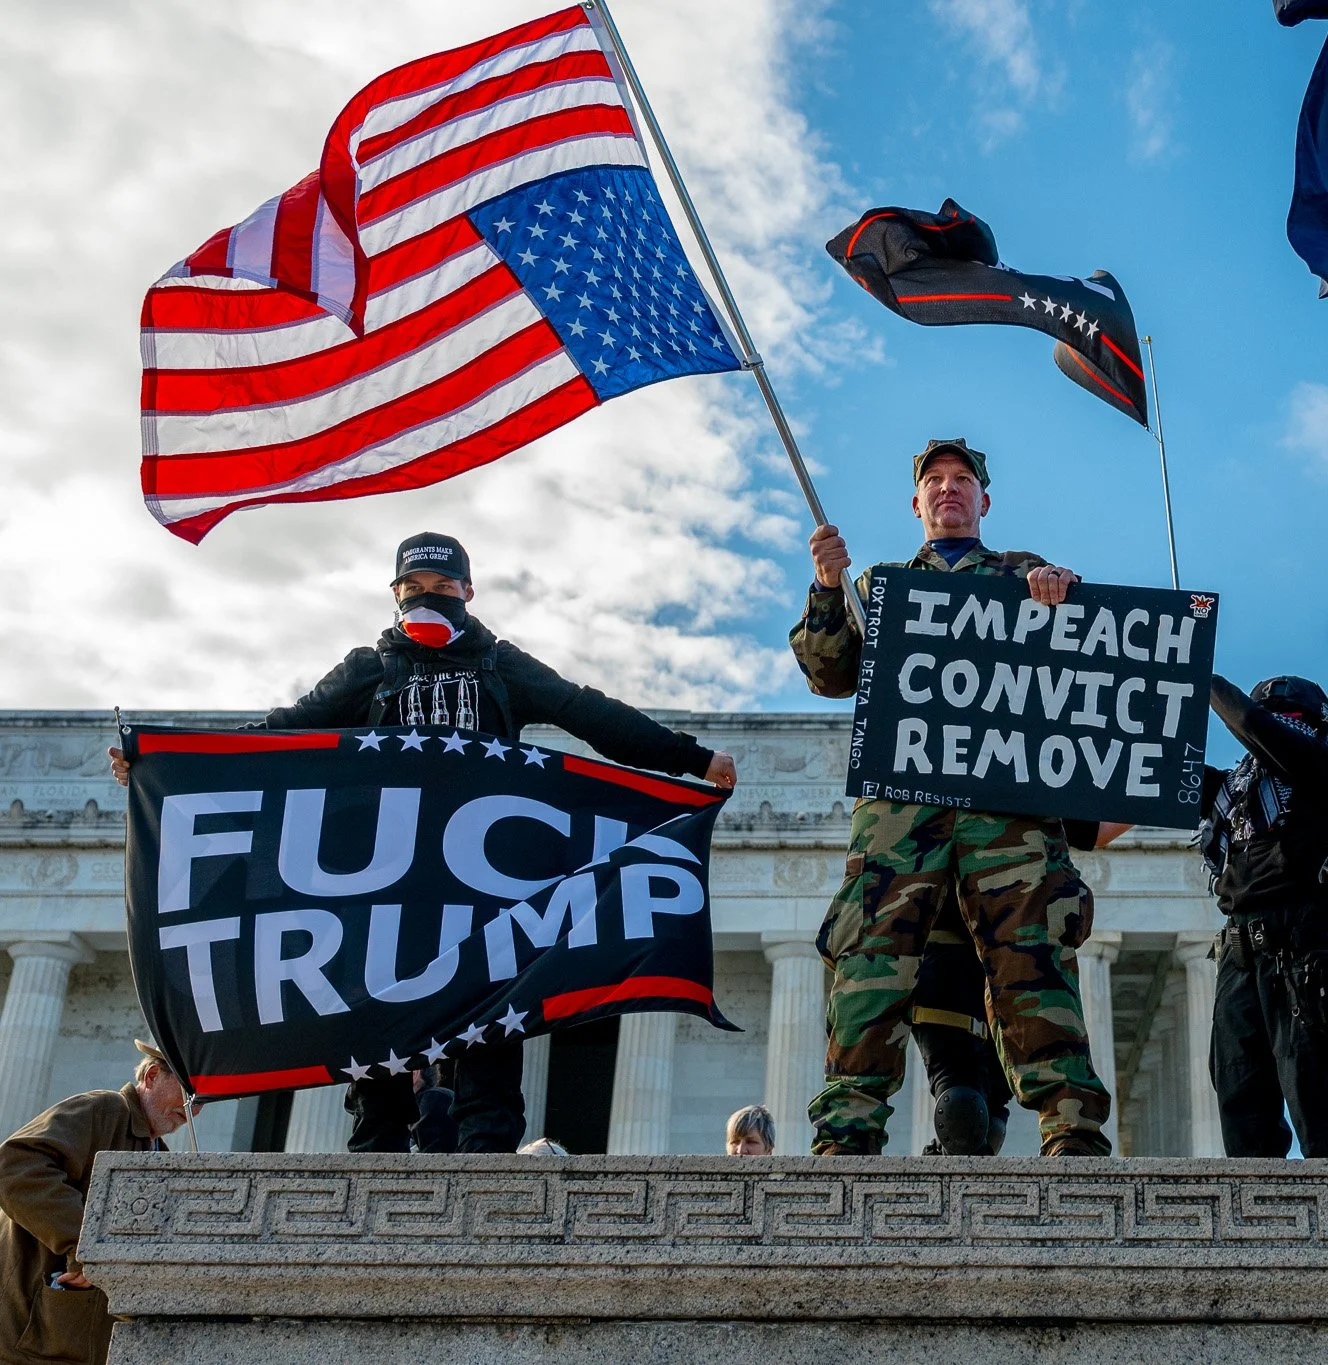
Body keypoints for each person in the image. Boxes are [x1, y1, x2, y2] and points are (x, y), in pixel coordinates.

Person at [108, 532, 738, 1156]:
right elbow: (278, 736)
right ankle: (374, 1166)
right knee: (376, 1031)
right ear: (395, 594)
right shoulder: (370, 669)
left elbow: (591, 714)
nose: (428, 598)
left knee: (491, 1026)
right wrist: (168, 764)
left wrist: (690, 758)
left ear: (468, 592)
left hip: (478, 888)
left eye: (442, 587)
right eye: (414, 587)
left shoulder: (501, 666)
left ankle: (486, 1165)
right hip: (386, 886)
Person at [792, 438, 1112, 1157]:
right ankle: (847, 1129)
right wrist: (826, 587)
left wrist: (1066, 592)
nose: (947, 489)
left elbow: (1090, 658)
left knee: (1031, 955)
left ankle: (1071, 1126)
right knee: (871, 955)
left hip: (1006, 805)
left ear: (982, 500)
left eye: (961, 479)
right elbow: (828, 675)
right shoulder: (877, 587)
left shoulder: (1024, 576)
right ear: (916, 503)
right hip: (902, 808)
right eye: (934, 481)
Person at [1199, 673, 1328, 1159]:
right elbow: (1150, 772)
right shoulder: (1231, 792)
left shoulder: (1323, 772)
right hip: (1239, 960)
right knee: (1240, 1106)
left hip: (1305, 958)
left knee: (1318, 1106)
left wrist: (1199, 673)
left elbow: (1252, 724)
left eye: (1290, 720)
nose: (1279, 727)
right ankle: (1256, 1209)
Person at [912, 820, 1128, 1157]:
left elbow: (1092, 829)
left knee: (974, 1110)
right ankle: (1067, 1135)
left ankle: (1065, 1137)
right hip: (978, 930)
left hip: (1006, 933)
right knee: (963, 1106)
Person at [0, 1041, 190, 1365]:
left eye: (199, 1102)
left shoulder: (160, 1156)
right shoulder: (105, 1110)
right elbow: (14, 1166)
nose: (192, 1110)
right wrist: (88, 1247)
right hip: (26, 1342)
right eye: (187, 1093)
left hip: (78, 1343)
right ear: (152, 1076)